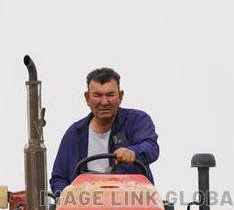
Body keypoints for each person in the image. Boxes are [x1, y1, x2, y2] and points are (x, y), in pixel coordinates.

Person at [49, 67, 159, 196]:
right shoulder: (74, 133)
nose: (104, 102)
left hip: (132, 203)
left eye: (110, 95)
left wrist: (133, 152)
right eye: (97, 95)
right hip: (84, 207)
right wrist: (65, 196)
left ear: (120, 96)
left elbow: (151, 147)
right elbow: (58, 178)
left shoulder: (137, 121)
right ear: (87, 98)